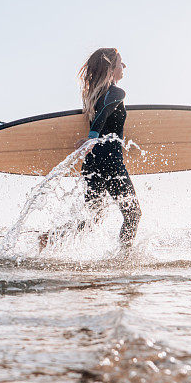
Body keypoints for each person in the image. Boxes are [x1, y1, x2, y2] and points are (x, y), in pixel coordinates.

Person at [39, 48, 141, 250]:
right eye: (121, 63)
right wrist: (93, 137)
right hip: (110, 161)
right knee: (133, 214)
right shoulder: (116, 93)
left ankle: (49, 238)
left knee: (94, 217)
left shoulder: (95, 96)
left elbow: (105, 118)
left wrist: (94, 139)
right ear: (110, 68)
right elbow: (104, 114)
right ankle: (125, 258)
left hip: (93, 162)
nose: (124, 66)